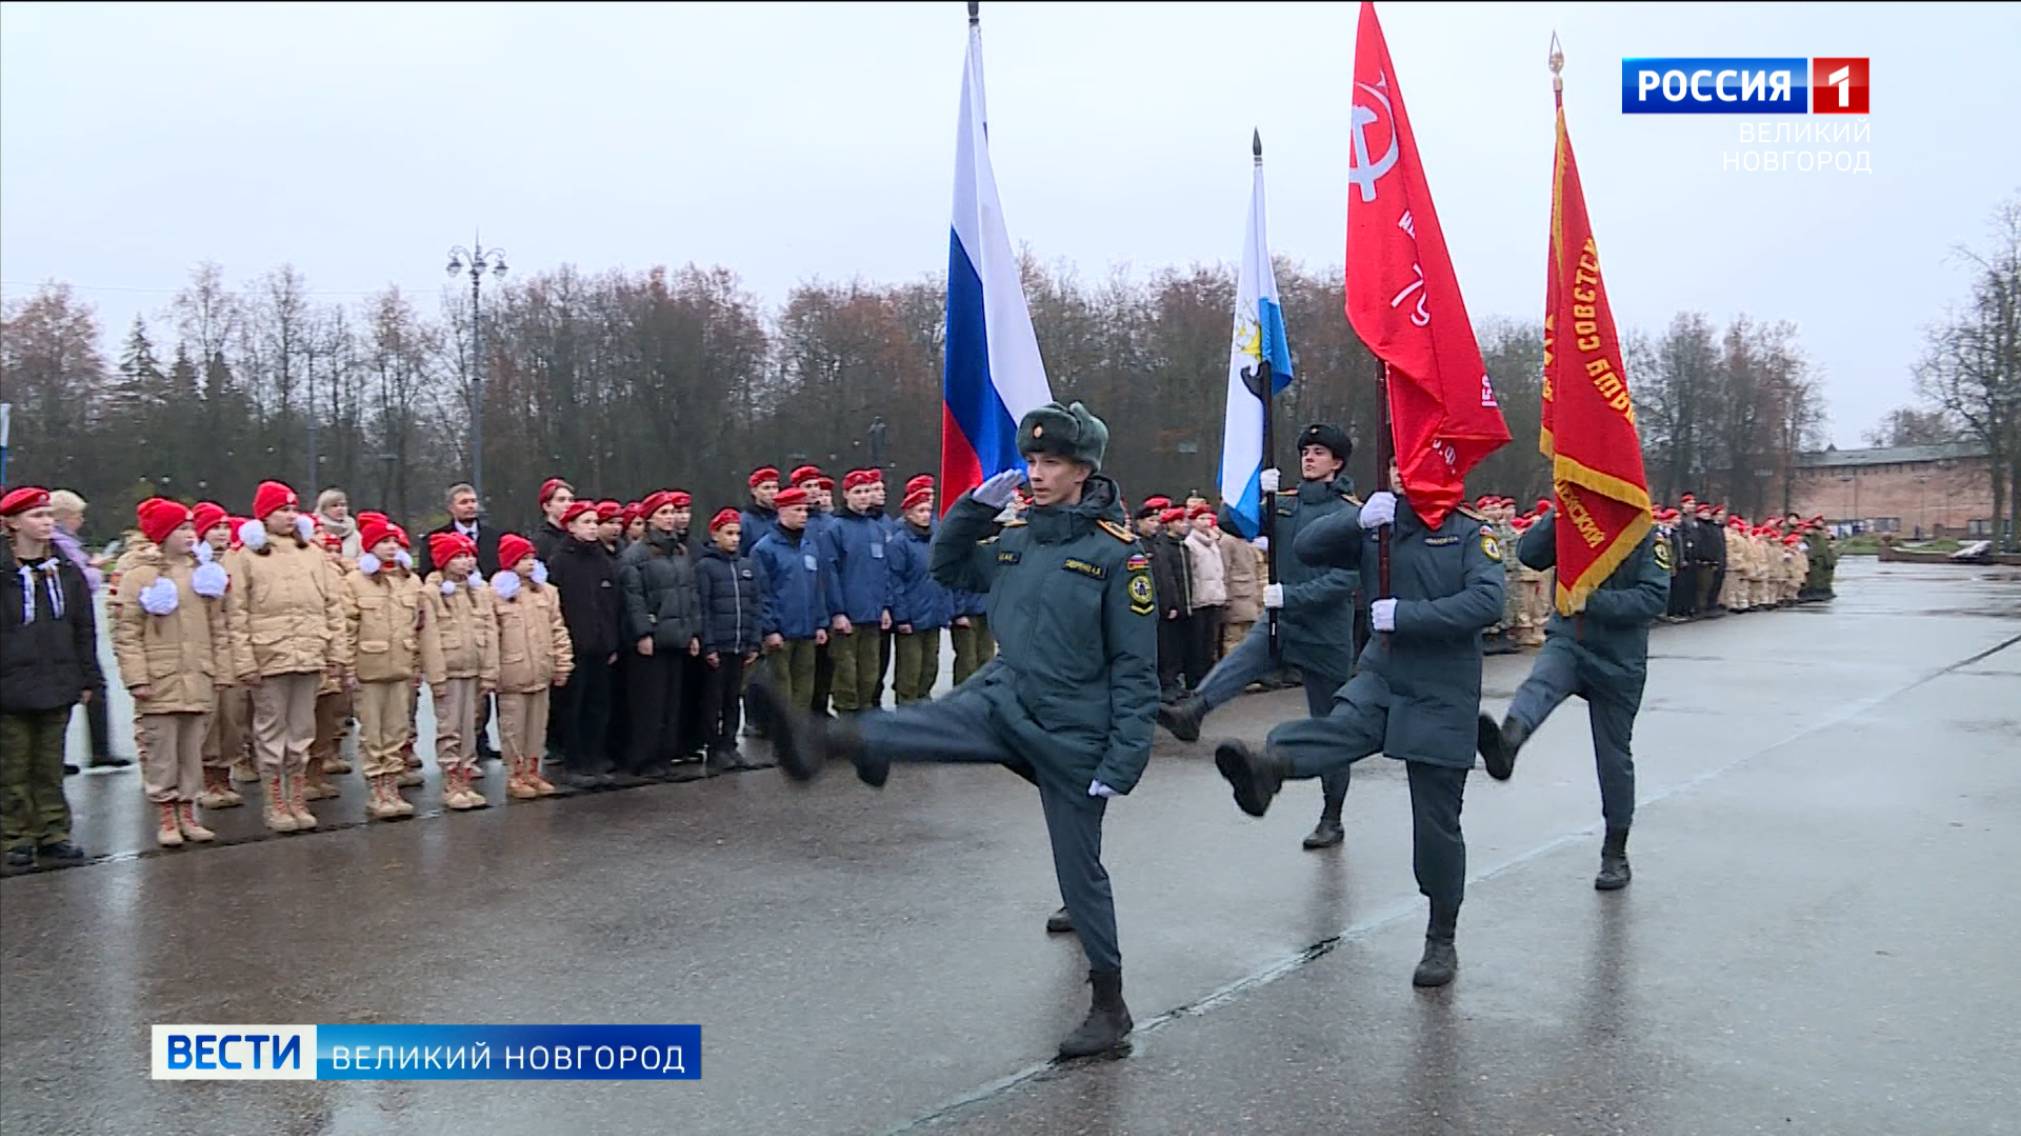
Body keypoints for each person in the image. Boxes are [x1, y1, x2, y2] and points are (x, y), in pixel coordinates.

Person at [749, 400, 1157, 1059]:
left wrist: (1125, 756)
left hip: (1071, 729)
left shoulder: (1118, 559)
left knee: (1078, 873)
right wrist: (972, 507)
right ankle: (821, 740)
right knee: (927, 718)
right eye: (1031, 459)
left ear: (1082, 471)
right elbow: (947, 565)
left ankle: (1110, 1008)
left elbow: (1137, 668)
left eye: (1051, 461)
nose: (1037, 472)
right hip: (1006, 695)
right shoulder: (1018, 539)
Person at [1211, 463, 1504, 987]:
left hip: (1443, 687)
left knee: (1435, 825)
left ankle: (1441, 936)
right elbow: (1306, 548)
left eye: (1409, 461)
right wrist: (1356, 521)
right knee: (1341, 724)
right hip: (1384, 670)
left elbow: (1488, 601)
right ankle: (1270, 766)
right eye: (1394, 463)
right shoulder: (1379, 523)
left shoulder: (1467, 532)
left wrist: (1407, 615)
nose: (1398, 472)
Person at [1157, 423, 1363, 851]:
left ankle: (1332, 814)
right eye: (1305, 451)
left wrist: (1293, 594)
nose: (1308, 458)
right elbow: (1233, 523)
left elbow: (1347, 579)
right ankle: (1194, 710)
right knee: (1243, 658)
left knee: (1330, 728)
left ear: (1337, 462)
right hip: (1281, 622)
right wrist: (1251, 497)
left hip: (1325, 631)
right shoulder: (1282, 503)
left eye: (1319, 452)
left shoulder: (1348, 513)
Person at [1477, 505, 1669, 890]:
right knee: (1540, 684)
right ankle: (1507, 743)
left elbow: (1653, 598)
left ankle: (1615, 850)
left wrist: (1592, 600)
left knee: (1613, 755)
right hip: (1571, 638)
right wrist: (1558, 514)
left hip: (1620, 656)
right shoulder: (1576, 516)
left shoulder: (1647, 533)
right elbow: (1530, 554)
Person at [230, 481, 347, 833]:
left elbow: (332, 605)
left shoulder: (312, 553)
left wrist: (335, 652)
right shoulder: (246, 556)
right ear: (264, 515)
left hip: (310, 653)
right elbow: (236, 612)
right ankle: (275, 800)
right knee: (271, 730)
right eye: (282, 510)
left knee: (302, 730)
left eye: (293, 509)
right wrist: (245, 660)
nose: (289, 516)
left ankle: (297, 795)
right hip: (270, 655)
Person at [113, 499, 231, 847]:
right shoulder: (140, 577)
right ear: (163, 534)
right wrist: (137, 677)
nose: (190, 535)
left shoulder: (205, 575)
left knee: (191, 748)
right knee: (162, 749)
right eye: (181, 529)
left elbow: (219, 627)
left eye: (192, 528)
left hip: (199, 676)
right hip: (161, 678)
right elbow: (128, 633)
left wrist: (222, 671)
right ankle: (166, 812)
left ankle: (188, 810)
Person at [2, 487, 104, 869]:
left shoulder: (64, 571)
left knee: (49, 764)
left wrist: (89, 677)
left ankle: (53, 831)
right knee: (13, 766)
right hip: (10, 685)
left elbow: (83, 627)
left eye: (48, 516)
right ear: (12, 523)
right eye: (35, 516)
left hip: (56, 679)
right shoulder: (5, 572)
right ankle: (15, 834)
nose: (45, 523)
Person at [342, 518, 425, 819]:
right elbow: (348, 628)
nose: (391, 548)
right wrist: (348, 668)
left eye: (396, 543)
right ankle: (377, 789)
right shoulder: (354, 582)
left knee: (397, 730)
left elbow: (418, 627)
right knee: (372, 733)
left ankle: (393, 784)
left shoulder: (410, 581)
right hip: (369, 668)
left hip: (401, 666)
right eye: (384, 542)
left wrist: (417, 665)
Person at [617, 490, 703, 782]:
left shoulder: (680, 552)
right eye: (663, 513)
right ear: (650, 517)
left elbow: (689, 594)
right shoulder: (635, 555)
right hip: (652, 638)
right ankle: (645, 758)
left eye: (672, 512)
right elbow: (634, 597)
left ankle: (666, 755)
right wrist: (643, 632)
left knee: (671, 701)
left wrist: (693, 631)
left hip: (676, 636)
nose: (670, 518)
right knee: (649, 703)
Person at [47, 489, 127, 771]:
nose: (80, 521)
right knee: (89, 684)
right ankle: (98, 750)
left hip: (67, 623)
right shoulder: (63, 544)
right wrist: (95, 568)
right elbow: (84, 581)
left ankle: (62, 755)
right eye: (78, 516)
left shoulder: (60, 542)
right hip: (70, 624)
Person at [422, 532, 500, 811]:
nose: (467, 562)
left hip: (475, 670)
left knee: (471, 727)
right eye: (459, 557)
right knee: (450, 728)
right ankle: (451, 780)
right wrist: (437, 677)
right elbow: (429, 638)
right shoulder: (431, 594)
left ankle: (466, 776)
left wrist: (490, 671)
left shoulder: (480, 592)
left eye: (469, 556)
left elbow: (490, 632)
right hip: (451, 671)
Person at [548, 500, 622, 787]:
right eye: (586, 522)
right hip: (575, 647)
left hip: (601, 646)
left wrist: (611, 642)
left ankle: (596, 758)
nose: (592, 528)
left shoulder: (602, 560)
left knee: (598, 706)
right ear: (571, 526)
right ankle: (575, 762)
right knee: (573, 707)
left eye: (594, 522)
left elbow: (611, 605)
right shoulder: (560, 561)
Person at [490, 534, 569, 799]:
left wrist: (562, 662)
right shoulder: (497, 596)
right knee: (514, 727)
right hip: (512, 673)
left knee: (537, 726)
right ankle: (515, 773)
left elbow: (558, 629)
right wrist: (492, 673)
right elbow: (491, 638)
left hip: (541, 669)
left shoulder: (547, 592)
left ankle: (533, 771)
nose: (530, 563)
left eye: (532, 558)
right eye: (523, 559)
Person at [751, 487, 831, 725]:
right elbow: (761, 592)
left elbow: (817, 588)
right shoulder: (765, 549)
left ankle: (801, 737)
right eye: (797, 510)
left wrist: (820, 623)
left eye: (805, 510)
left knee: (804, 689)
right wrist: (770, 628)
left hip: (806, 630)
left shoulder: (809, 546)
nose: (804, 515)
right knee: (782, 689)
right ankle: (782, 739)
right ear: (782, 511)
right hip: (781, 631)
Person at [695, 509, 766, 772]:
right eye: (729, 533)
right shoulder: (706, 567)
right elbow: (703, 607)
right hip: (719, 645)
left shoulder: (746, 566)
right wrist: (708, 644)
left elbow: (755, 604)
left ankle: (729, 745)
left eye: (738, 534)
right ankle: (713, 749)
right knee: (713, 700)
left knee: (733, 697)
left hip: (741, 643)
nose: (735, 539)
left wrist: (754, 641)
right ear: (715, 535)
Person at [821, 469, 896, 716]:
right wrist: (838, 612)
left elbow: (883, 571)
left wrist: (885, 605)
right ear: (846, 495)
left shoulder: (875, 529)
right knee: (846, 672)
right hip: (848, 616)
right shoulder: (836, 529)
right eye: (858, 492)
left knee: (870, 672)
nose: (864, 497)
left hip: (872, 614)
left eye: (866, 491)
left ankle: (866, 715)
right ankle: (847, 717)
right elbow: (829, 573)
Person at [189, 504, 248, 810]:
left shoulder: (237, 561)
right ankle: (207, 776)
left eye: (226, 526)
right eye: (215, 527)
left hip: (233, 648)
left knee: (232, 717)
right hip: (204, 651)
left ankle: (225, 772)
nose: (223, 533)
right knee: (208, 719)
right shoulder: (192, 565)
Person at [889, 484, 951, 705]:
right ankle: (906, 707)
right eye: (920, 511)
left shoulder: (935, 540)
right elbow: (895, 581)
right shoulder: (900, 542)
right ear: (908, 513)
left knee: (929, 667)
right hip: (912, 617)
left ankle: (924, 703)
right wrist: (902, 616)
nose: (925, 515)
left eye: (927, 510)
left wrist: (945, 610)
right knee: (910, 669)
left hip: (932, 614)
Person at [1147, 506, 1194, 700]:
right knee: (1163, 649)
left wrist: (1177, 603)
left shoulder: (1164, 546)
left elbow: (1171, 578)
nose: (1154, 523)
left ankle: (1172, 682)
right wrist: (1166, 606)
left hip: (1176, 603)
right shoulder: (1155, 545)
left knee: (1175, 648)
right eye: (1150, 520)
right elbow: (1156, 579)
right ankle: (1164, 685)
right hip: (1159, 607)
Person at [1182, 506, 1226, 688]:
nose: (1206, 522)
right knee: (1197, 643)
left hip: (1215, 595)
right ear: (1192, 521)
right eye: (1201, 518)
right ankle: (1195, 680)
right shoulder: (1190, 543)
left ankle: (1210, 678)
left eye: (1208, 518)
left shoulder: (1214, 542)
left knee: (1211, 641)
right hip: (1199, 598)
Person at [1219, 513, 1264, 659]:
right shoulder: (1227, 541)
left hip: (1251, 594)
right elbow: (1224, 569)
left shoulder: (1248, 540)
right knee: (1234, 637)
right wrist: (1226, 596)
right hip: (1237, 594)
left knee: (1249, 636)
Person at [739, 466, 782, 556]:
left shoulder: (783, 517)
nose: (772, 492)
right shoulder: (744, 521)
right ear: (754, 491)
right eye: (766, 488)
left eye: (775, 487)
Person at [532, 478, 576, 564]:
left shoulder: (579, 537)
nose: (569, 504)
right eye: (561, 500)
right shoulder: (540, 542)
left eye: (571, 500)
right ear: (547, 506)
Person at [314, 488, 362, 560]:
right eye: (334, 505)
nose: (340, 508)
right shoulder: (315, 531)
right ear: (324, 509)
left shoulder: (355, 535)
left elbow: (361, 559)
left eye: (343, 505)